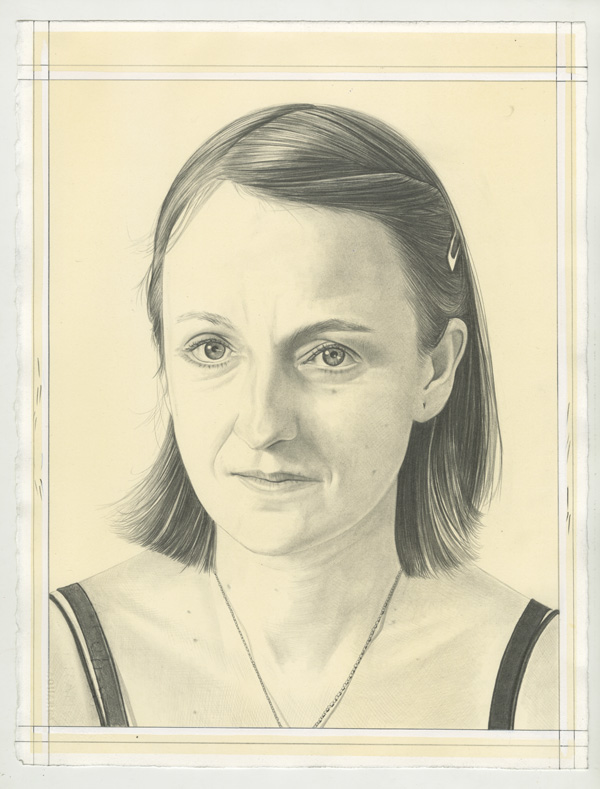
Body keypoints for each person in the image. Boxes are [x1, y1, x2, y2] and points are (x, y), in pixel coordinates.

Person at [49, 103, 558, 730]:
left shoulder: (548, 677)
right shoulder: (53, 657)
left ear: (435, 371)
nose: (263, 426)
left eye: (330, 355)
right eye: (212, 349)